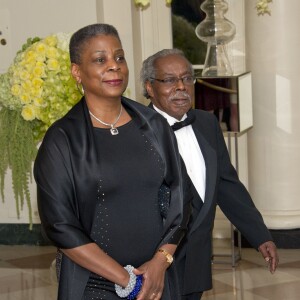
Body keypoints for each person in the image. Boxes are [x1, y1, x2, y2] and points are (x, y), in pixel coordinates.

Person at [34, 24, 190, 300]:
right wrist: (127, 280)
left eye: (119, 58)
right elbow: (60, 226)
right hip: (94, 284)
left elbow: (180, 198)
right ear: (76, 72)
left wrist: (159, 263)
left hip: (157, 280)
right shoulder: (62, 140)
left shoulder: (154, 125)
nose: (114, 67)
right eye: (100, 60)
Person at [140, 48, 279, 300]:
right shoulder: (136, 132)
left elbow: (227, 184)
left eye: (187, 78)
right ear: (149, 87)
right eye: (169, 80)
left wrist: (259, 235)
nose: (181, 86)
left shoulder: (207, 123)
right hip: (153, 263)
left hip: (197, 260)